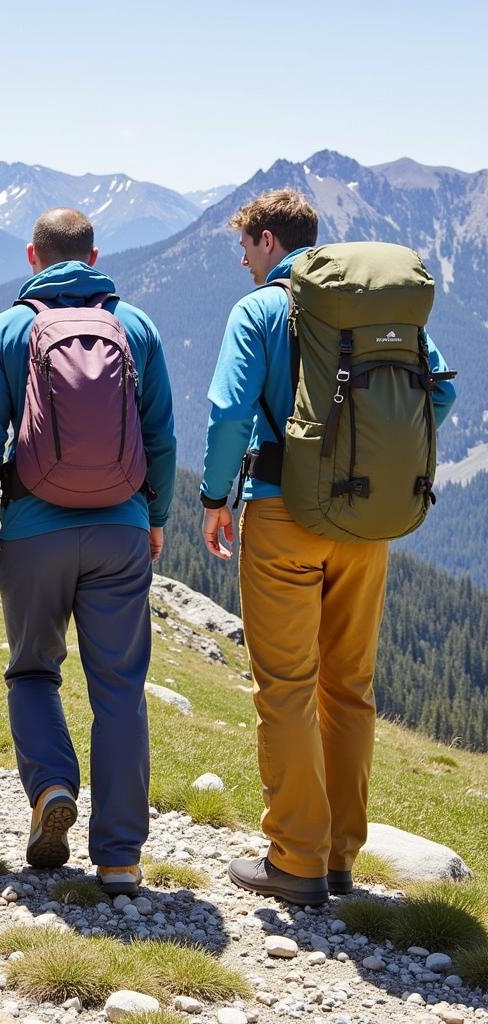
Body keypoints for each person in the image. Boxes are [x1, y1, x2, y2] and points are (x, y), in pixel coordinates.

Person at [200, 189, 457, 905]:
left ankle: (296, 861)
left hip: (284, 516)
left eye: (246, 247)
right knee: (350, 689)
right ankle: (342, 855)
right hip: (367, 524)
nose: (243, 261)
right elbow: (439, 395)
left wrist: (214, 498)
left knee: (286, 689)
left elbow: (227, 410)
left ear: (271, 243)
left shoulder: (261, 309)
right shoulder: (374, 306)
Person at [0, 208, 176, 896]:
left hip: (33, 531)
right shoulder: (135, 325)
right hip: (119, 529)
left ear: (33, 256)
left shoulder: (5, 328)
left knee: (32, 673)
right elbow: (162, 436)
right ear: (94, 256)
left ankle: (52, 786)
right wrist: (154, 516)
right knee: (119, 688)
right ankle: (118, 857)